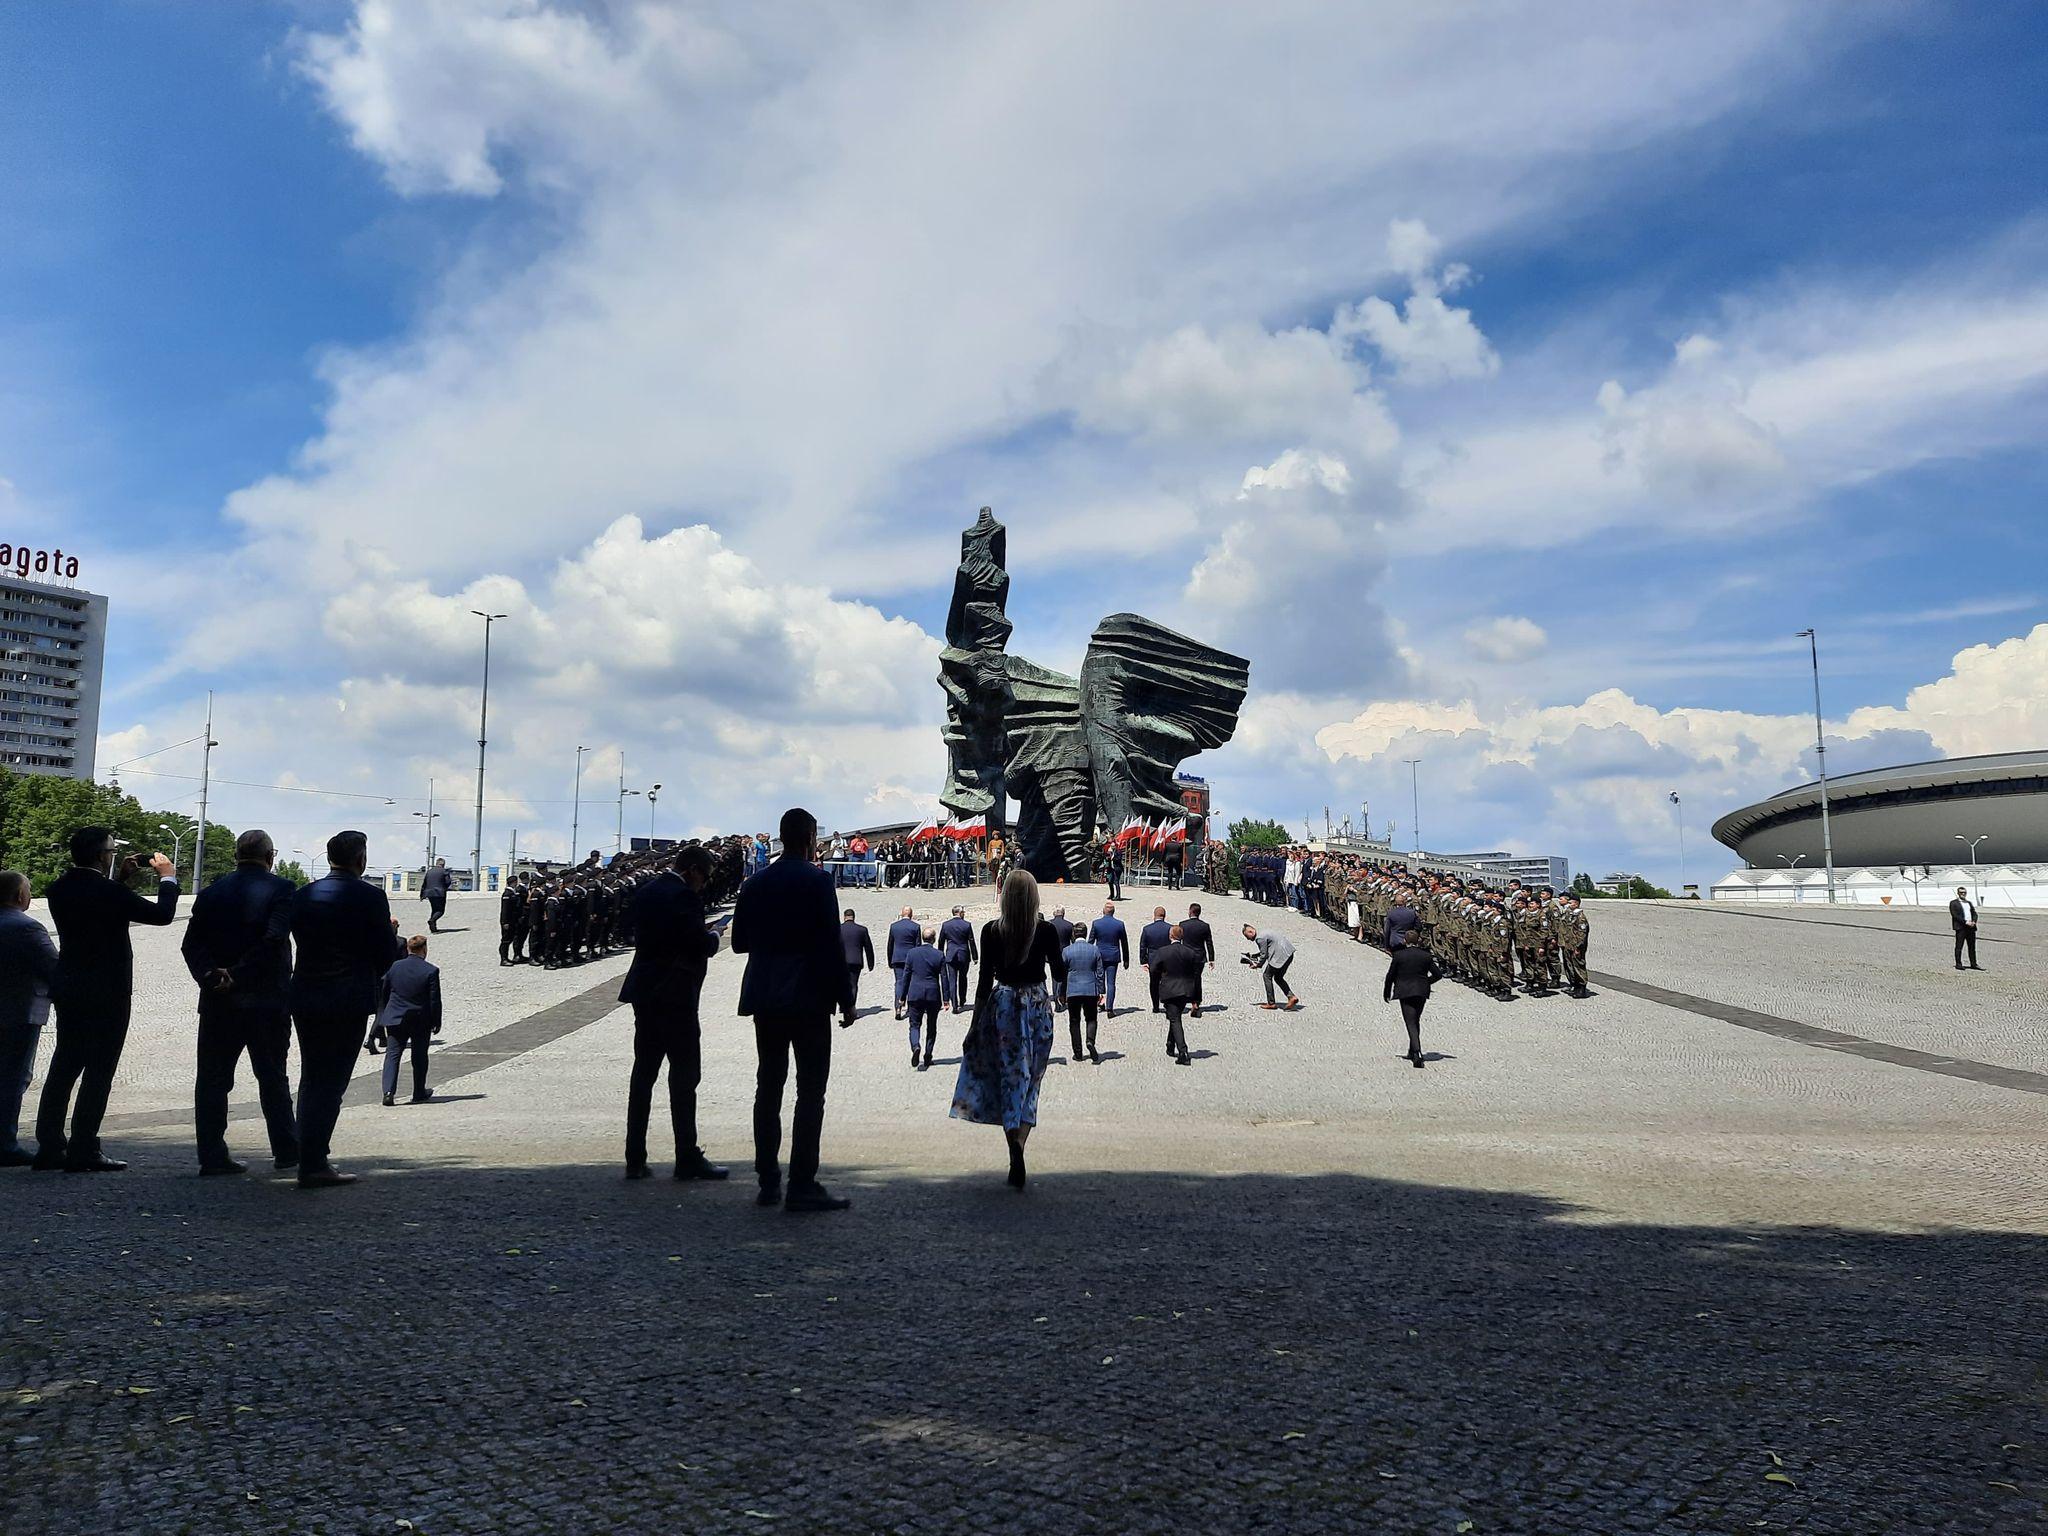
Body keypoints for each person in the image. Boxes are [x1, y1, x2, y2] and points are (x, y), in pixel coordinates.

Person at [32, 828, 180, 1172]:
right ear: (102, 855)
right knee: (99, 1070)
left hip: (70, 986)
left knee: (64, 1065)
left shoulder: (60, 889)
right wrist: (168, 879)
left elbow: (100, 906)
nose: (114, 854)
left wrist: (121, 880)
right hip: (108, 991)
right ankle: (84, 1147)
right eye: (112, 851)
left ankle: (50, 1145)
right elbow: (162, 915)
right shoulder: (108, 892)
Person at [732, 807, 855, 1214]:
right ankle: (802, 1183)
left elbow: (738, 944)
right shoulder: (818, 881)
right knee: (810, 1092)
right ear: (809, 838)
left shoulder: (754, 883)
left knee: (768, 1087)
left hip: (766, 996)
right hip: (809, 997)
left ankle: (768, 1181)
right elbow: (830, 944)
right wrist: (847, 998)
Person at [179, 829, 301, 1175]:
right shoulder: (282, 889)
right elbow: (274, 939)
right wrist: (240, 973)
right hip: (266, 999)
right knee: (273, 1076)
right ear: (271, 856)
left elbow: (191, 944)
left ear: (236, 855)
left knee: (212, 1081)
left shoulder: (211, 893)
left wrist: (212, 976)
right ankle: (286, 1150)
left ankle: (212, 1156)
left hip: (218, 1002)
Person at [289, 830, 394, 1189]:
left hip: (305, 994)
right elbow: (384, 955)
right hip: (347, 1000)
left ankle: (308, 1154)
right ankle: (314, 1164)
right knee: (331, 1082)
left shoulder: (303, 894)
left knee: (311, 1077)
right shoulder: (370, 896)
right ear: (360, 858)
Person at [951, 868, 1067, 1190]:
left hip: (1003, 1004)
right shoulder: (1045, 931)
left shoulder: (990, 931)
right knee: (1031, 1080)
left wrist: (974, 1025)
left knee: (1009, 1078)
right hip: (1035, 1005)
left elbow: (984, 980)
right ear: (1033, 899)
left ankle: (1012, 1148)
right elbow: (1058, 971)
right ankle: (1020, 1146)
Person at [619, 844, 728, 1181]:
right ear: (692, 870)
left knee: (643, 1076)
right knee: (684, 1078)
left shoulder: (648, 890)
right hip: (676, 994)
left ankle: (634, 1157)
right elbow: (696, 944)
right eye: (705, 876)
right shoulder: (683, 897)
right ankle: (687, 1156)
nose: (704, 883)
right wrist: (715, 934)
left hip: (645, 991)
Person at [0, 870, 57, 1167]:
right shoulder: (28, 928)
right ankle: (5, 1144)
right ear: (21, 896)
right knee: (12, 1079)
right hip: (18, 1013)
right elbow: (54, 969)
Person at [377, 934, 443, 1106]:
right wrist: (436, 1021)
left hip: (395, 1017)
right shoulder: (430, 970)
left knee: (392, 1055)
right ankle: (419, 1091)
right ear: (424, 949)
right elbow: (434, 999)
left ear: (408, 949)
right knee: (419, 1056)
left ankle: (388, 1092)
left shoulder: (395, 967)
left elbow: (384, 991)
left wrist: (384, 1014)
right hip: (420, 1019)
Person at [1383, 932, 1446, 1067]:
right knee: (1415, 1019)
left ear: (1405, 941)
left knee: (1410, 1021)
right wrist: (1427, 982)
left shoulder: (1399, 955)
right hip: (1421, 991)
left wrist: (1387, 991)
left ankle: (1417, 1052)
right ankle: (1412, 1050)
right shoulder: (1426, 955)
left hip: (1405, 990)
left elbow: (1391, 975)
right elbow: (1438, 974)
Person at [1153, 924, 1205, 1066]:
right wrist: (1195, 998)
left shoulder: (1163, 951)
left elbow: (1154, 969)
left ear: (1170, 936)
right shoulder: (1190, 952)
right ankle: (1170, 1045)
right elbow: (1196, 974)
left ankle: (1183, 1051)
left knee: (1175, 1019)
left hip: (1170, 989)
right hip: (1186, 990)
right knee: (1174, 1016)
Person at [902, 925, 947, 1070]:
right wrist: (946, 999)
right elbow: (944, 978)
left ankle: (916, 1045)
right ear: (934, 939)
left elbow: (906, 976)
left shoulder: (912, 953)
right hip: (933, 994)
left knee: (914, 1025)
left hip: (915, 993)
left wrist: (902, 996)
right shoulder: (939, 955)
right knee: (931, 1026)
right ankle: (928, 1055)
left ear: (922, 938)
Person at [1060, 920, 1103, 1064]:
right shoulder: (1094, 949)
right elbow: (1099, 972)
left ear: (1074, 934)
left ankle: (1078, 1053)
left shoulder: (1067, 951)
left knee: (1074, 1021)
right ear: (1085, 934)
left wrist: (1061, 992)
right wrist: (1101, 990)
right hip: (1090, 989)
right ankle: (1090, 1041)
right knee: (1091, 1018)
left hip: (1073, 990)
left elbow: (1062, 975)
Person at [1242, 923, 1300, 1011]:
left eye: (1247, 936)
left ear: (1251, 932)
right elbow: (1266, 950)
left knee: (1267, 976)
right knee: (1278, 977)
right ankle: (1291, 997)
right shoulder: (1263, 932)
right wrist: (1254, 956)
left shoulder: (1259, 938)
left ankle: (1271, 1003)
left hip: (1279, 956)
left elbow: (1264, 955)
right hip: (1288, 953)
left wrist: (1257, 965)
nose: (1248, 939)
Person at [1091, 901, 1130, 1015]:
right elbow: (1124, 943)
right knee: (1111, 983)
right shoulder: (1119, 924)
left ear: (1103, 911)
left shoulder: (1096, 923)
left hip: (1100, 956)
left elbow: (1091, 941)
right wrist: (1126, 959)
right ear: (1113, 912)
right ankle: (1110, 1008)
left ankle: (1100, 1003)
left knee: (1099, 980)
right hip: (1113, 956)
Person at [938, 905, 978, 1015]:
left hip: (951, 955)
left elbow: (941, 941)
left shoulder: (946, 925)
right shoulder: (966, 925)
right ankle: (962, 999)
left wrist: (940, 954)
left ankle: (954, 1004)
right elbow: (971, 941)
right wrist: (975, 956)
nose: (964, 914)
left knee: (952, 980)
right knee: (963, 978)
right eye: (963, 912)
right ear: (959, 913)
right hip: (963, 955)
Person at [1179, 903, 1216, 1018]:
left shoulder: (1183, 924)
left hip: (1186, 956)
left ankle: (1184, 1000)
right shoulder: (1205, 926)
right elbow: (1209, 943)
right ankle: (1196, 1002)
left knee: (1185, 979)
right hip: (1199, 956)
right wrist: (1211, 959)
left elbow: (1178, 940)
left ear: (1190, 911)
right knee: (1197, 978)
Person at [886, 905, 921, 1021]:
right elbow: (918, 946)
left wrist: (890, 959)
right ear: (911, 915)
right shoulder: (916, 927)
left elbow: (890, 945)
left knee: (899, 983)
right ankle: (911, 1008)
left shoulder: (894, 926)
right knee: (911, 983)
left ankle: (898, 1007)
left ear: (901, 914)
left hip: (897, 958)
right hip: (910, 959)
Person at [1138, 905, 1173, 1015]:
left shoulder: (1147, 929)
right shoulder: (1170, 928)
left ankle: (1155, 1006)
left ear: (1154, 916)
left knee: (1154, 984)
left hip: (1153, 960)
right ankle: (1167, 1004)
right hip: (1167, 960)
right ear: (1164, 916)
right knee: (1167, 983)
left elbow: (1143, 946)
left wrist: (1143, 961)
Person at [839, 908, 874, 1012]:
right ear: (854, 917)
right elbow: (868, 948)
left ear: (844, 917)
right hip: (856, 961)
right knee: (853, 984)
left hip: (841, 962)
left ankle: (843, 1005)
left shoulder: (838, 929)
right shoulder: (862, 930)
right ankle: (851, 1007)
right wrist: (870, 963)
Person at [1949, 887, 1982, 970]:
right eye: (1961, 892)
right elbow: (1955, 915)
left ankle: (1973, 963)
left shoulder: (1969, 903)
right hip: (1961, 928)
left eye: (1964, 892)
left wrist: (1974, 921)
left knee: (1972, 947)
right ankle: (1958, 964)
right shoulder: (1953, 903)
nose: (1963, 894)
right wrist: (1965, 922)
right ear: (1958, 893)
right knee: (1959, 946)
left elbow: (1974, 913)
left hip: (1971, 928)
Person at [498, 874, 527, 965]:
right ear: (513, 883)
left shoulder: (513, 892)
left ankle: (511, 957)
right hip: (508, 921)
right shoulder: (507, 893)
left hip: (513, 920)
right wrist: (505, 922)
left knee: (511, 938)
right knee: (506, 940)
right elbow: (505, 910)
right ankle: (504, 959)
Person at [420, 857, 454, 934]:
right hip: (440, 893)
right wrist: (444, 888)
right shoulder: (444, 871)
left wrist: (422, 895)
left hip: (429, 893)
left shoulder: (429, 871)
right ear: (443, 864)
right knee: (440, 911)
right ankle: (432, 920)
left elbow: (424, 883)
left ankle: (433, 929)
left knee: (434, 909)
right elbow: (448, 882)